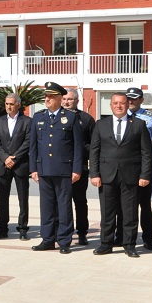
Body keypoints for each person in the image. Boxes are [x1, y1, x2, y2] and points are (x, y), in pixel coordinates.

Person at [89, 92, 152, 257]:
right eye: (115, 103)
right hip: (106, 175)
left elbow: (146, 152)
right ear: (110, 106)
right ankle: (106, 243)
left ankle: (129, 244)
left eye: (122, 103)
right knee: (107, 212)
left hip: (131, 176)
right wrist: (94, 174)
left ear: (127, 105)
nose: (119, 106)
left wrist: (145, 175)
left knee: (130, 212)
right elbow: (94, 151)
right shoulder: (101, 124)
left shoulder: (139, 124)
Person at [30, 82, 83, 254]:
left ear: (60, 98)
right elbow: (33, 146)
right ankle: (47, 239)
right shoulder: (38, 118)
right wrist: (33, 169)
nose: (47, 98)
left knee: (64, 206)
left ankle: (65, 240)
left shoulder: (71, 117)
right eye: (46, 96)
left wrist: (76, 169)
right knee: (46, 206)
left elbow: (77, 146)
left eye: (51, 96)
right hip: (44, 169)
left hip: (63, 170)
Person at [126, 87, 152, 251]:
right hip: (124, 167)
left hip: (143, 167)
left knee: (144, 205)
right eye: (128, 99)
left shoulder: (150, 118)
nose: (130, 102)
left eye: (134, 99)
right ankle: (124, 238)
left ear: (142, 100)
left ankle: (148, 238)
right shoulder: (120, 115)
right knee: (124, 206)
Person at [0, 93, 32, 241]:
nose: (8, 106)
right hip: (4, 165)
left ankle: (23, 228)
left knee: (23, 199)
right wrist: (5, 158)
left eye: (11, 103)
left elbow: (28, 142)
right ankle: (2, 228)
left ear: (18, 105)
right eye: (6, 103)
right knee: (2, 199)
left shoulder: (27, 122)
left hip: (20, 165)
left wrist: (14, 158)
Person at [62, 88, 95, 246]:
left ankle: (82, 233)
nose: (66, 102)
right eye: (64, 99)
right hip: (60, 168)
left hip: (79, 168)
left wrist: (80, 148)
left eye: (70, 99)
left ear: (76, 101)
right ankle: (62, 232)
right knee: (61, 203)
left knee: (80, 202)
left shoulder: (86, 119)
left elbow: (94, 145)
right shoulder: (56, 117)